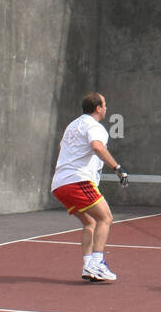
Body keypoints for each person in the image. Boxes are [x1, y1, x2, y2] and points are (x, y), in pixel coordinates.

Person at [51, 92, 128, 282]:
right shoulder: (95, 127)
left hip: (59, 184)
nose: (106, 108)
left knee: (90, 223)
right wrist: (117, 168)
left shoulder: (72, 125)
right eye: (105, 105)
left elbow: (63, 148)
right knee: (106, 217)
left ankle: (88, 266)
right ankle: (97, 263)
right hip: (78, 180)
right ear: (98, 108)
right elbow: (97, 146)